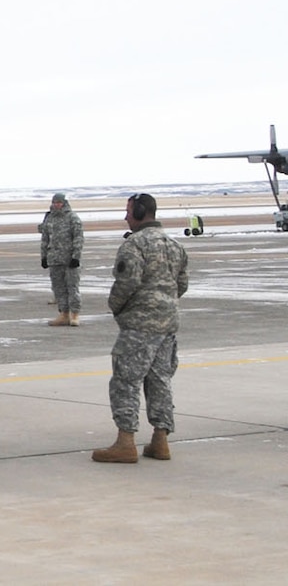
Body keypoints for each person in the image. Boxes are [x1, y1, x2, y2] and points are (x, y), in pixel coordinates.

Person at [93, 191, 189, 464]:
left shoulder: (134, 246)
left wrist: (116, 306)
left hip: (139, 326)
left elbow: (126, 283)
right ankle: (160, 440)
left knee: (126, 380)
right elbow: (181, 285)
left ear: (139, 212)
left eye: (128, 211)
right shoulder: (174, 245)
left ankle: (125, 441)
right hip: (167, 324)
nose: (125, 216)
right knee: (160, 381)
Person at [39, 192, 84, 327]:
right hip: (54, 259)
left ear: (64, 203)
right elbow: (45, 239)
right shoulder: (50, 219)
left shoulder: (72, 218)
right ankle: (64, 314)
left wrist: (76, 256)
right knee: (58, 288)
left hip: (69, 259)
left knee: (72, 287)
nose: (57, 205)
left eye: (59, 202)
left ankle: (75, 314)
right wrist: (44, 257)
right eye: (55, 202)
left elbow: (78, 238)